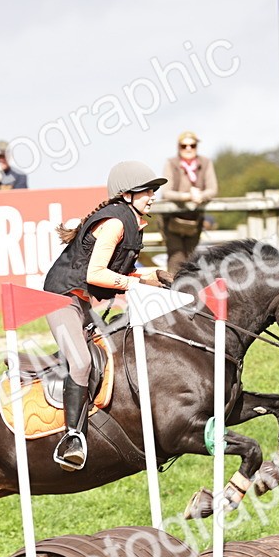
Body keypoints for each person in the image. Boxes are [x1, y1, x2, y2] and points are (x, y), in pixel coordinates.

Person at [42, 161, 170, 471]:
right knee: (82, 361)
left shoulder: (132, 222)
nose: (153, 195)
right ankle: (72, 438)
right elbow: (97, 273)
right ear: (127, 195)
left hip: (82, 303)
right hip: (61, 298)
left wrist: (166, 277)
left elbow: (128, 272)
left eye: (153, 190)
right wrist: (133, 286)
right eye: (147, 191)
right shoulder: (115, 223)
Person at [160, 131, 218, 275]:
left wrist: (201, 195)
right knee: (176, 257)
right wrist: (187, 196)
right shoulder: (171, 163)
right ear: (178, 147)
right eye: (184, 145)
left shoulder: (205, 163)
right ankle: (174, 291)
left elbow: (213, 189)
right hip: (171, 219)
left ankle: (188, 291)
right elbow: (166, 192)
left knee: (191, 258)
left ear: (196, 146)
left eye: (192, 145)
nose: (188, 148)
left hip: (194, 219)